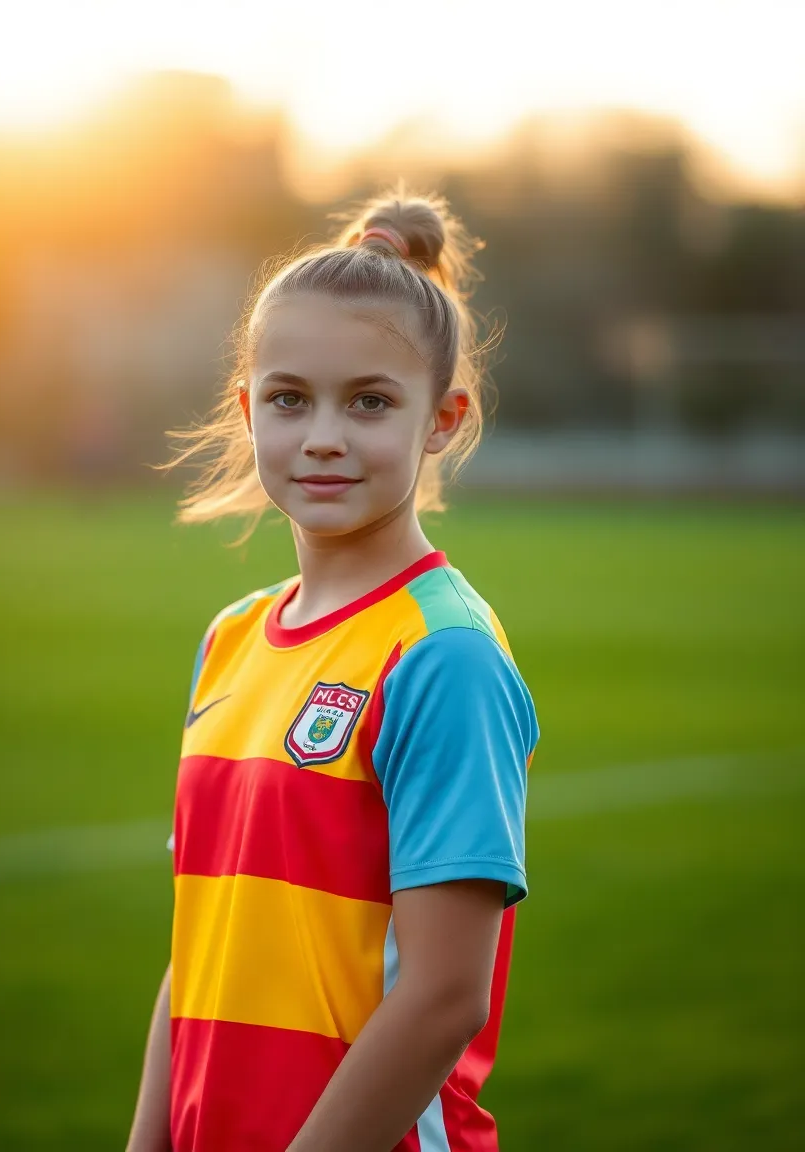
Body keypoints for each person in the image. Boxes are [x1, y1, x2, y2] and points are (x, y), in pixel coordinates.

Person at [126, 190, 540, 1152]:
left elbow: (444, 998)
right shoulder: (230, 638)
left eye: (368, 401)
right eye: (288, 398)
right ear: (246, 409)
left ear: (442, 419)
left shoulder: (442, 656)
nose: (321, 435)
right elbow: (202, 941)